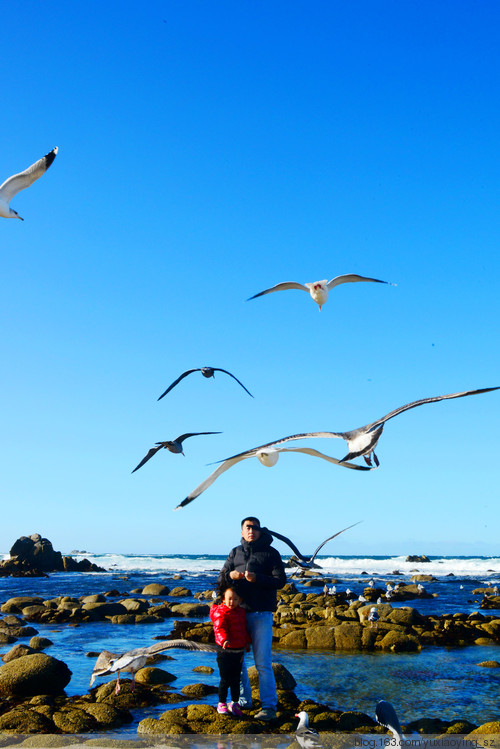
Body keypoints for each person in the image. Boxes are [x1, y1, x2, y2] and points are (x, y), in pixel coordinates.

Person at [218, 516, 287, 721]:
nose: (251, 531)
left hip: (261, 614)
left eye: (255, 528)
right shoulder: (235, 552)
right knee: (237, 661)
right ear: (242, 531)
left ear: (260, 530)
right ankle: (243, 701)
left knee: (263, 663)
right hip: (237, 614)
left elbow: (280, 581)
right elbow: (221, 578)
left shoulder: (271, 553)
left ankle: (268, 706)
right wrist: (231, 576)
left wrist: (258, 578)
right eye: (248, 527)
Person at [210, 585, 252, 716]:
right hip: (225, 651)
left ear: (240, 600)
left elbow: (243, 630)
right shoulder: (221, 611)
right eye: (229, 599)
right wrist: (224, 640)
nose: (232, 602)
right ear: (223, 599)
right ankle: (221, 703)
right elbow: (219, 628)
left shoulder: (241, 612)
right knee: (225, 679)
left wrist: (246, 642)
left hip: (238, 651)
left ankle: (235, 703)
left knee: (235, 679)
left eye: (235, 599)